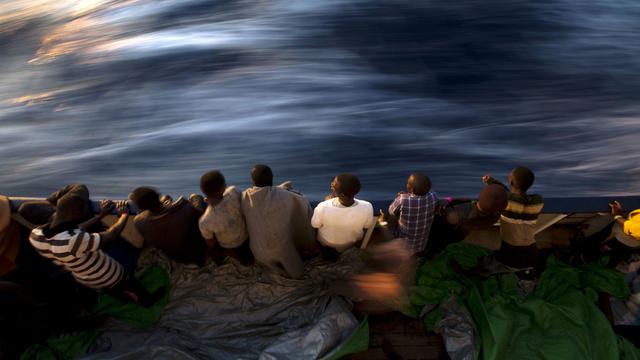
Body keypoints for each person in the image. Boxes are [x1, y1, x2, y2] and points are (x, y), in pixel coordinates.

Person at [28, 194, 162, 306]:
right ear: (73, 213)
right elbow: (112, 234)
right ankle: (147, 301)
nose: (82, 214)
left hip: (84, 277)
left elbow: (74, 230)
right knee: (130, 284)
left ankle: (126, 299)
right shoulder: (74, 240)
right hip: (108, 274)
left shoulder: (36, 235)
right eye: (81, 211)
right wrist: (124, 214)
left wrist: (100, 216)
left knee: (113, 291)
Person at [241, 165, 316, 278]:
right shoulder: (289, 197)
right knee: (298, 273)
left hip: (258, 252)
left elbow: (263, 193)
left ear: (252, 181)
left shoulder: (244, 197)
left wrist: (279, 188)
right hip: (284, 251)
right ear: (272, 178)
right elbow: (302, 203)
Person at [483, 167, 544, 269]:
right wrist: (492, 181)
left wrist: (491, 182)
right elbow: (512, 197)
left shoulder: (505, 200)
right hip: (532, 253)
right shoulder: (538, 201)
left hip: (511, 254)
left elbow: (504, 193)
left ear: (511, 182)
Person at [130, 187, 208, 266]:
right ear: (158, 196)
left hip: (178, 258)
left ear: (141, 208)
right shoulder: (184, 206)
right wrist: (168, 205)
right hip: (200, 253)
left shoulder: (139, 222)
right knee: (195, 197)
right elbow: (198, 215)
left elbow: (148, 214)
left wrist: (164, 205)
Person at [427, 184, 508, 254]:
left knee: (435, 241)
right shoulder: (493, 217)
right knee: (441, 244)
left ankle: (428, 253)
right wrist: (450, 200)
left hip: (442, 234)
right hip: (456, 237)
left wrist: (447, 201)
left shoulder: (457, 212)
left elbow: (440, 215)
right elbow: (472, 202)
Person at [311, 174, 374, 260]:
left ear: (342, 195)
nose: (331, 184)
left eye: (334, 184)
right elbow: (367, 226)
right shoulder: (367, 206)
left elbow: (315, 225)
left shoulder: (323, 206)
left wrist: (326, 203)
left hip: (328, 243)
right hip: (351, 243)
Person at [198, 170, 253, 265]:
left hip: (227, 246)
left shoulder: (205, 221)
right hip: (245, 238)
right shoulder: (234, 192)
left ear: (203, 191)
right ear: (223, 188)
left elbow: (210, 243)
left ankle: (220, 261)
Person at [387, 173, 438, 255]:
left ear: (411, 189)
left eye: (408, 183)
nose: (406, 184)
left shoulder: (403, 199)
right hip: (421, 244)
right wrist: (407, 195)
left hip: (403, 245)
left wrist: (400, 197)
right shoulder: (433, 196)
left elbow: (391, 211)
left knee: (388, 220)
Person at [578, 201, 640, 266]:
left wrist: (617, 215)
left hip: (621, 236)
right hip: (630, 240)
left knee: (595, 243)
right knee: (614, 253)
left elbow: (629, 227)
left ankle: (583, 258)